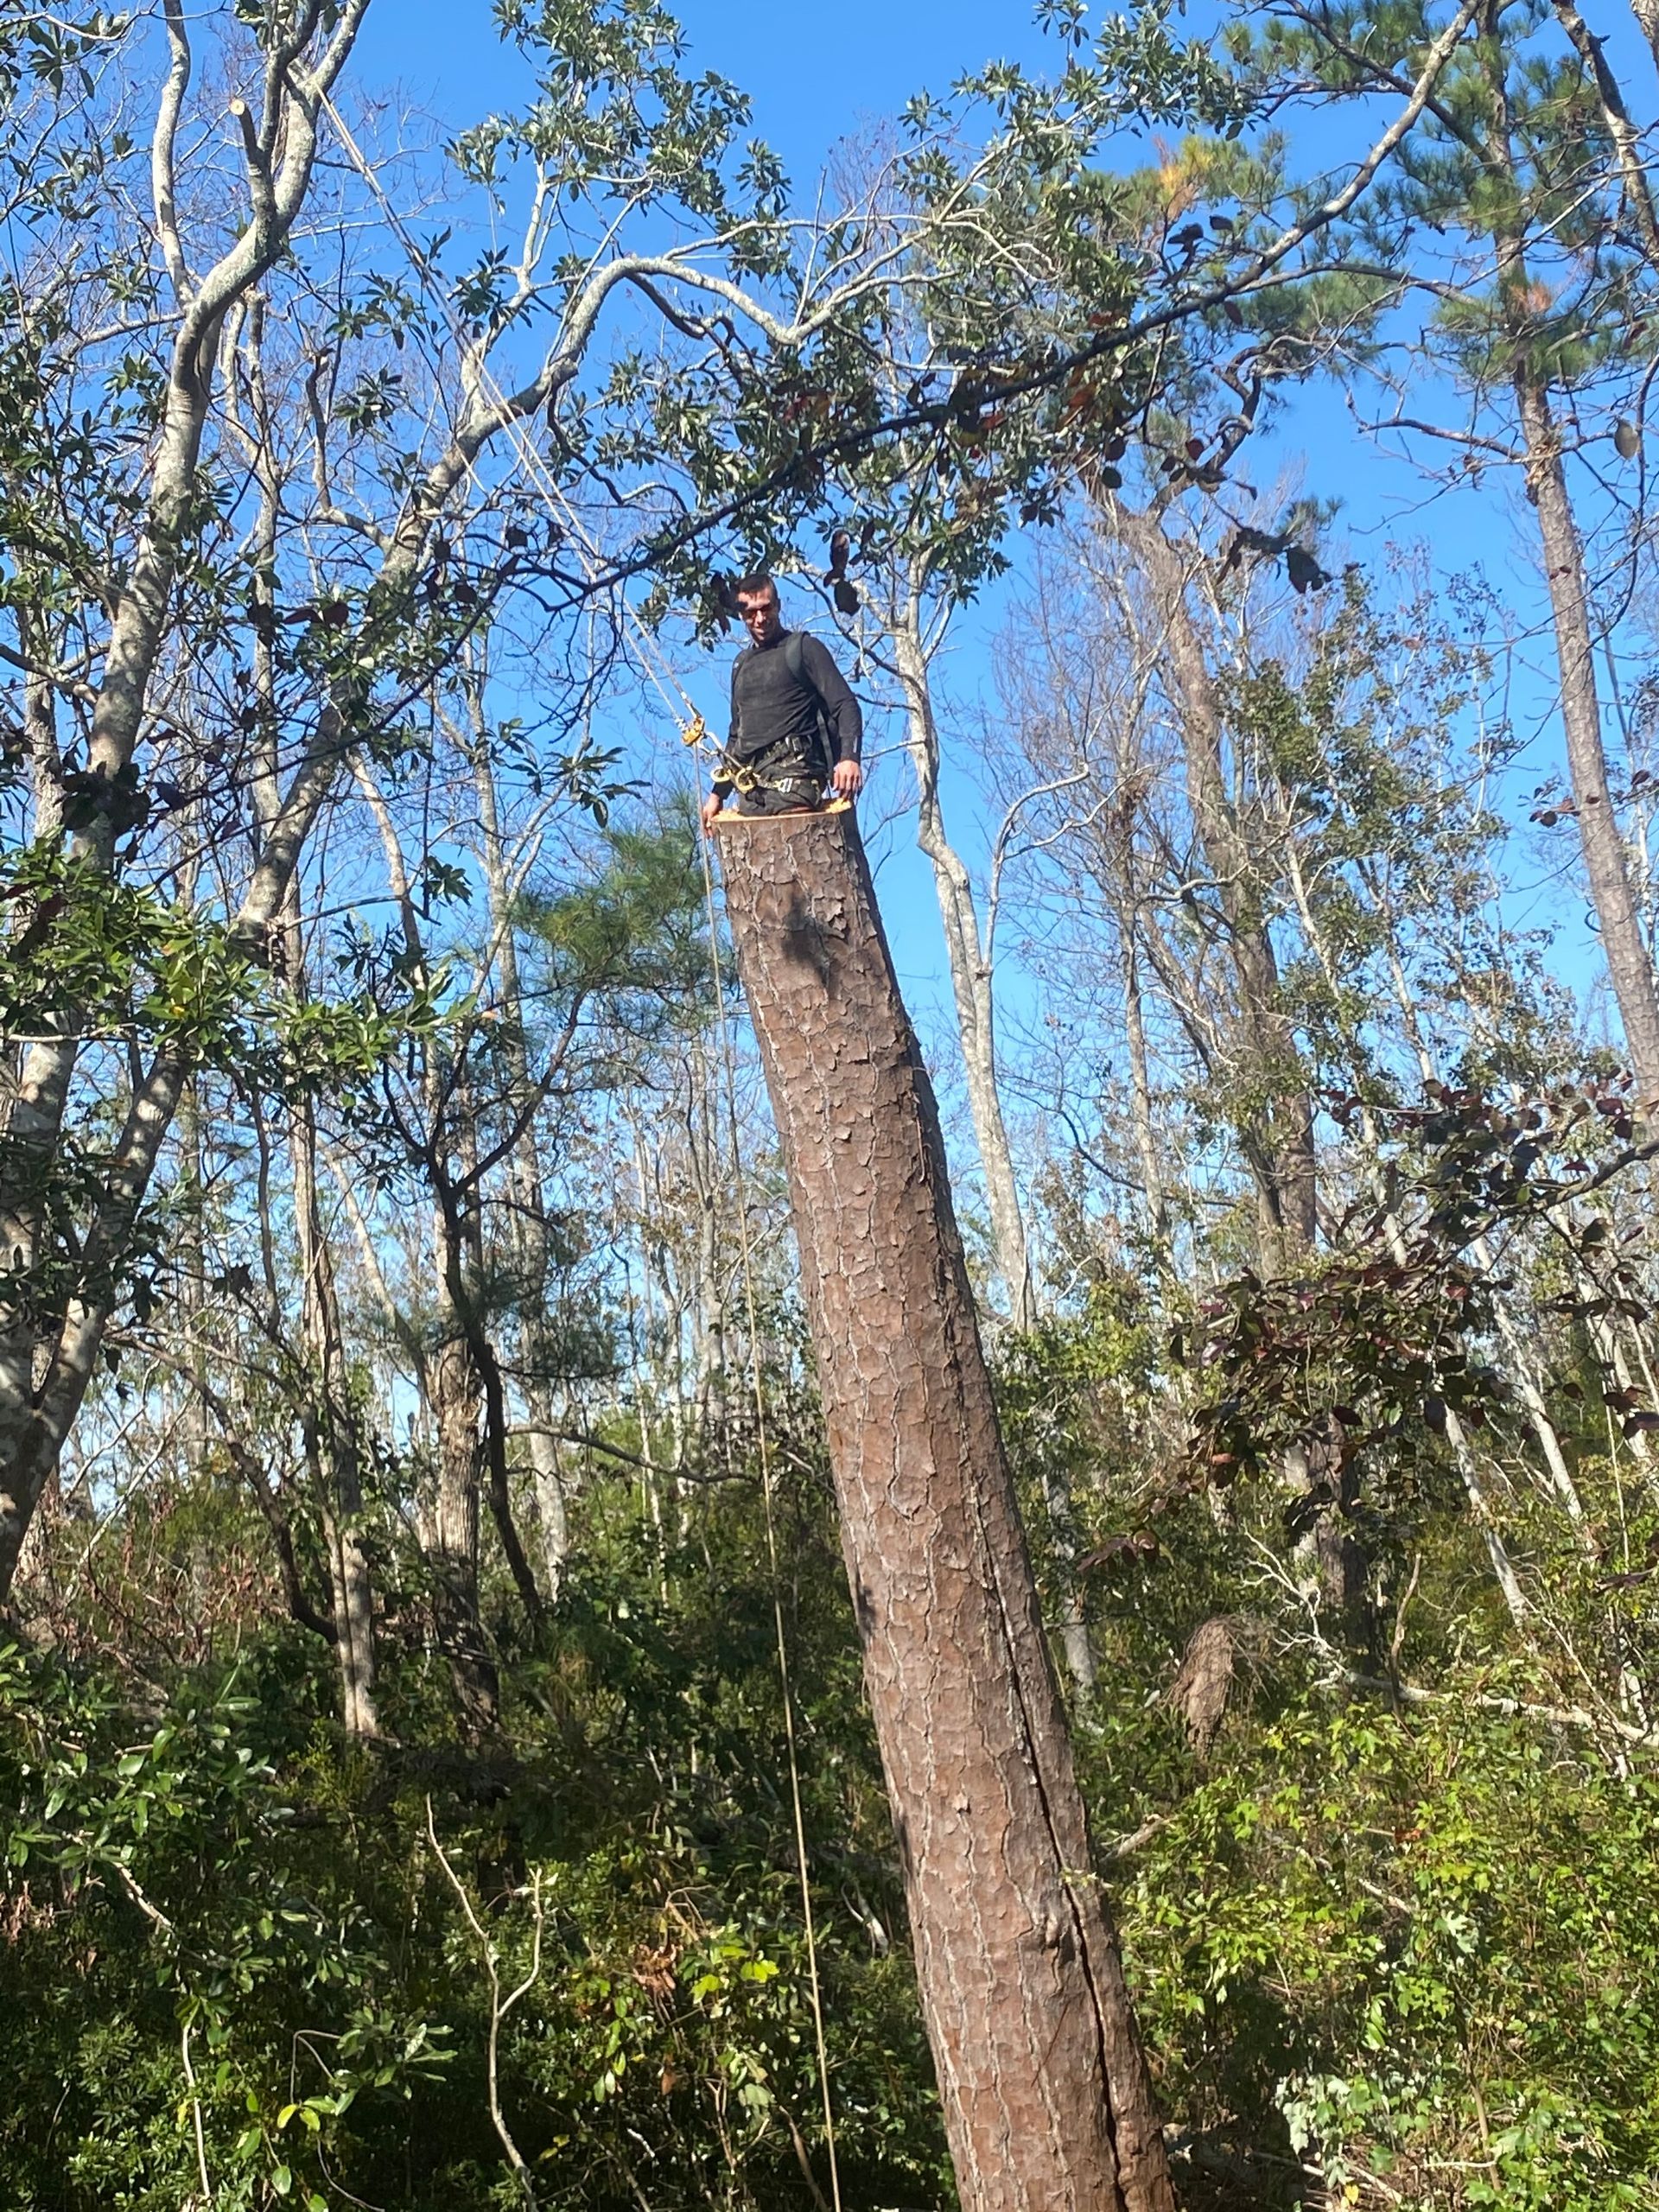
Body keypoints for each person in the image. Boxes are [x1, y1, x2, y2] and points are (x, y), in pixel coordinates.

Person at [700, 573, 865, 829]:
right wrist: (716, 794)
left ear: (777, 605)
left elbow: (845, 704)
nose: (760, 618)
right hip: (752, 790)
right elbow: (737, 737)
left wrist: (850, 757)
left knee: (795, 841)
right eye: (751, 612)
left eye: (766, 608)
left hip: (796, 779)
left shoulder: (803, 648)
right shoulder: (741, 665)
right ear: (742, 615)